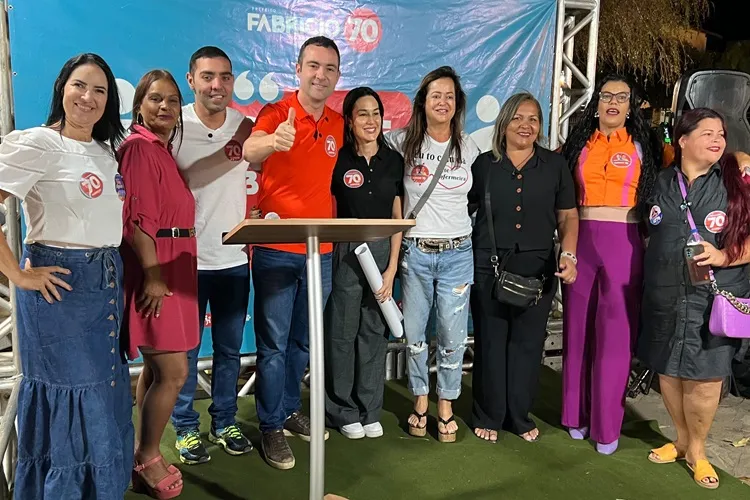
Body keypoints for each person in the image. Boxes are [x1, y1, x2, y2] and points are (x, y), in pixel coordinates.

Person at [0, 53, 133, 498]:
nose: (88, 97)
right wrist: (18, 276)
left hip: (107, 284)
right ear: (62, 88)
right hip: (61, 287)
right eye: (80, 85)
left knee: (105, 394)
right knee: (75, 397)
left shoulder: (105, 151)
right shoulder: (36, 143)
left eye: (100, 90)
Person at [242, 36, 343, 469]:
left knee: (303, 343)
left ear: (337, 76)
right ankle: (269, 426)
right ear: (298, 69)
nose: (321, 75)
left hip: (320, 252)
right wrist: (273, 142)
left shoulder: (338, 124)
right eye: (313, 66)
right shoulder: (277, 112)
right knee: (273, 346)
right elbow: (249, 150)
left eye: (329, 68)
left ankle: (286, 410)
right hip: (275, 250)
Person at [640, 108, 750, 489]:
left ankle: (698, 450)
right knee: (668, 370)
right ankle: (681, 438)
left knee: (704, 379)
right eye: (706, 133)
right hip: (665, 295)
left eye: (720, 133)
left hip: (712, 300)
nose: (717, 140)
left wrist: (723, 256)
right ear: (683, 140)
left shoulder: (738, 182)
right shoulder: (658, 182)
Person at [468, 93, 578, 443]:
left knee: (528, 344)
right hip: (489, 266)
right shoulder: (483, 165)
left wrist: (570, 254)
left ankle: (518, 415)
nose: (525, 125)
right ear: (503, 124)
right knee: (491, 341)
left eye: (533, 119)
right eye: (517, 118)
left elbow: (568, 216)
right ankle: (488, 414)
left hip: (538, 268)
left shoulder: (555, 166)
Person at [560, 74, 661, 454]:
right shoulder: (578, 144)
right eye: (606, 96)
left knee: (616, 337)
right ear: (597, 102)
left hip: (625, 242)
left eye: (622, 97)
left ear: (631, 104)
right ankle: (575, 414)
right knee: (577, 329)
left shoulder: (642, 145)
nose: (613, 102)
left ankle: (607, 427)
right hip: (581, 240)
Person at [386, 66, 480, 443]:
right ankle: (420, 400)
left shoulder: (470, 147)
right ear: (423, 102)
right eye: (435, 95)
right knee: (415, 337)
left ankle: (446, 405)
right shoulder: (400, 142)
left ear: (457, 105)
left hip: (458, 253)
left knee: (453, 337)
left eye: (450, 97)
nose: (442, 102)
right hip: (415, 252)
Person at [170, 46, 254, 465]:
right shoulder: (174, 124)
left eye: (224, 76)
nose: (217, 85)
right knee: (185, 350)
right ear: (191, 80)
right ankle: (185, 427)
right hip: (186, 261)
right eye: (208, 77)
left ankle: (224, 420)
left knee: (229, 350)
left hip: (234, 262)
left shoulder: (246, 126)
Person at [119, 69, 199, 498]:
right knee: (174, 369)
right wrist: (152, 273)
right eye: (155, 99)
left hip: (175, 263)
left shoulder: (162, 150)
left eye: (172, 100)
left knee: (156, 367)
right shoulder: (138, 148)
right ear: (140, 105)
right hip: (158, 266)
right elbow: (135, 219)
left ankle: (141, 453)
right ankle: (149, 456)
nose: (165, 107)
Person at [324, 87, 404, 439]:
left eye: (376, 113)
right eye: (362, 114)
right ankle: (342, 410)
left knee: (373, 333)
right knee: (341, 334)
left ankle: (370, 408)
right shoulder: (338, 160)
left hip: (384, 253)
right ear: (349, 120)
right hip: (346, 254)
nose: (371, 121)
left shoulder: (394, 161)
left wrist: (391, 268)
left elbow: (399, 217)